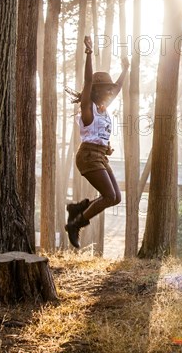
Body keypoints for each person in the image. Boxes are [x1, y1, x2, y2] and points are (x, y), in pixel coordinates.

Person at [65, 35, 129, 248]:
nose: (110, 92)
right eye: (106, 89)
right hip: (88, 156)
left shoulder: (104, 108)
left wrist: (125, 69)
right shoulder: (88, 109)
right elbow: (88, 81)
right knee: (109, 196)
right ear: (96, 91)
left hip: (100, 156)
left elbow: (117, 87)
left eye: (110, 89)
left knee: (116, 198)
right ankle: (75, 224)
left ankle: (77, 210)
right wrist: (89, 53)